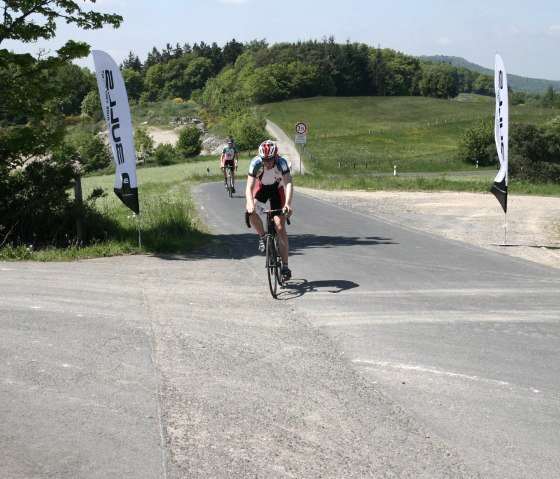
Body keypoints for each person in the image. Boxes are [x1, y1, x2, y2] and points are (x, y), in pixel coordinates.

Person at [246, 139, 294, 280]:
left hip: (277, 190)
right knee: (251, 212)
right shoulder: (255, 164)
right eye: (264, 160)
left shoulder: (281, 163)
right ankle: (262, 237)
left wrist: (288, 204)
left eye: (269, 160)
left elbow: (289, 184)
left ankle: (285, 266)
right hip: (263, 189)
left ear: (275, 157)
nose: (266, 163)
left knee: (279, 226)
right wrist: (250, 204)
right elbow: (249, 187)